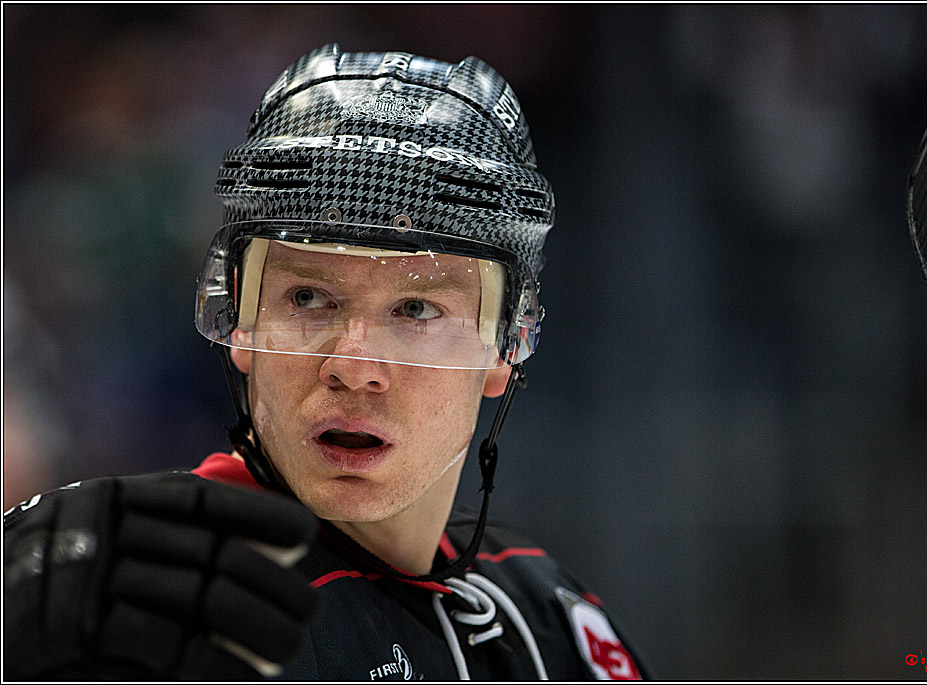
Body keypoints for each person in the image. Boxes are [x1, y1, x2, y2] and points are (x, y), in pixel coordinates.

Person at [4, 45, 649, 680]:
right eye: (308, 298)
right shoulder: (135, 606)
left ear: (505, 346)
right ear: (241, 324)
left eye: (417, 309)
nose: (354, 364)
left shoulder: (555, 618)